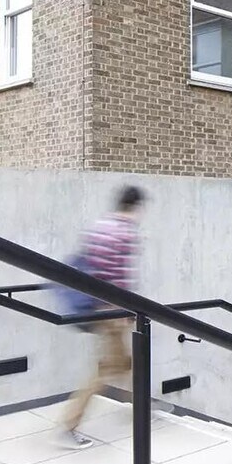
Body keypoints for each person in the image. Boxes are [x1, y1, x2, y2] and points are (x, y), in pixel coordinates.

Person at [61, 186, 145, 449]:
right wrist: (125, 311)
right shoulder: (125, 233)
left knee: (127, 362)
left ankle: (140, 406)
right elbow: (120, 278)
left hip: (97, 306)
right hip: (111, 311)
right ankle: (70, 425)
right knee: (107, 370)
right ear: (136, 206)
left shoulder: (100, 226)